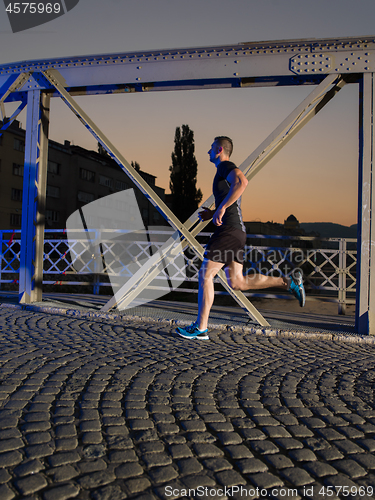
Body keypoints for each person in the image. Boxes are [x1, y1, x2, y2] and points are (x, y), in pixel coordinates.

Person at [176, 136, 305, 340]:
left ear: (219, 149)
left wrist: (222, 209)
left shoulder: (225, 166)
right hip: (236, 231)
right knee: (238, 282)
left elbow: (242, 182)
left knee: (205, 275)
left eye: (211, 148)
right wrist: (214, 212)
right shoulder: (223, 170)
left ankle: (200, 328)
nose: (208, 152)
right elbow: (233, 193)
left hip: (228, 230)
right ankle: (288, 282)